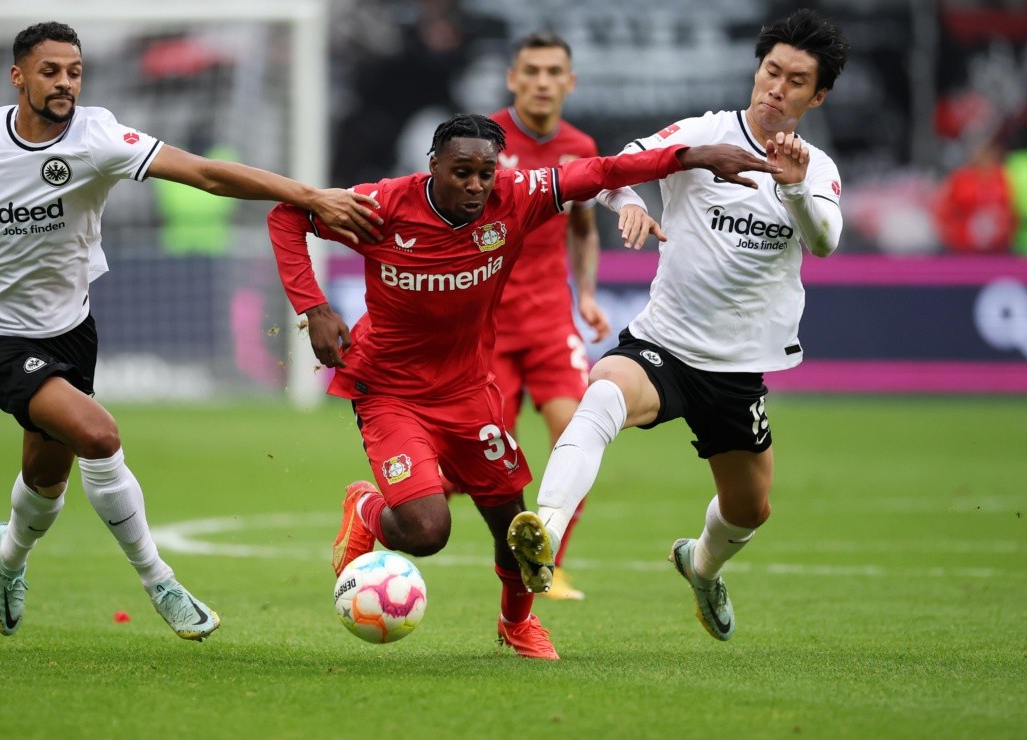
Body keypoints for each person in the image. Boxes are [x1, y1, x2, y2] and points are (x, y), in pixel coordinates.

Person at [0, 22, 380, 641]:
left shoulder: (99, 138)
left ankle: (8, 557)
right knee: (99, 433)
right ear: (18, 77)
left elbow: (206, 174)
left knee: (45, 480)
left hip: (71, 333)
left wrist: (309, 195)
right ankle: (160, 582)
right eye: (51, 71)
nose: (65, 83)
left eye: (75, 72)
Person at [267, 113, 777, 659]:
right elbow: (287, 214)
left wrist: (690, 156)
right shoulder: (381, 206)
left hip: (468, 391)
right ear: (432, 166)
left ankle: (516, 625)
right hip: (390, 391)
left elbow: (601, 170)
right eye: (462, 171)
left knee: (515, 528)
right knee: (427, 531)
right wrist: (314, 308)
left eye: (486, 173)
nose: (475, 185)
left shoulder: (516, 196)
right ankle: (368, 510)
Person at [507, 9, 849, 643]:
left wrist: (797, 189)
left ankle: (699, 565)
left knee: (750, 511)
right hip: (663, 345)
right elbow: (613, 173)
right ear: (757, 70)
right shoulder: (702, 134)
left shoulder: (816, 169)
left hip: (738, 369)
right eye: (770, 71)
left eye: (795, 81)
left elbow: (824, 241)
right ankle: (545, 532)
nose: (777, 88)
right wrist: (633, 204)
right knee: (603, 391)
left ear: (817, 94)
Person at [487, 31, 610, 601]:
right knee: (483, 461)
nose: (541, 81)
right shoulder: (482, 141)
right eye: (531, 70)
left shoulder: (580, 146)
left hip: (548, 321)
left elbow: (584, 230)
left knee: (576, 435)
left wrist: (585, 293)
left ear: (570, 82)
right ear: (513, 78)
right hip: (486, 328)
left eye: (553, 71)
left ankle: (548, 561)